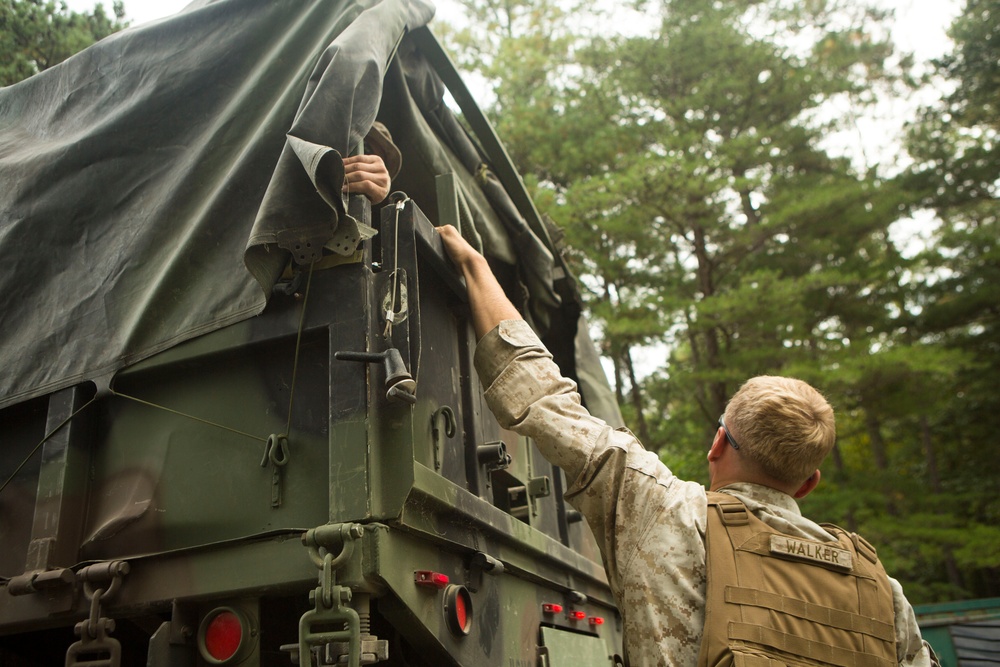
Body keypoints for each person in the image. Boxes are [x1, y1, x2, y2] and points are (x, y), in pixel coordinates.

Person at [434, 224, 937, 667]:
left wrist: (474, 264)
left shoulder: (663, 509)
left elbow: (540, 394)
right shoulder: (884, 594)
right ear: (808, 483)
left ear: (718, 442)